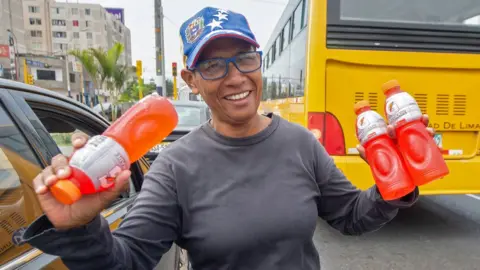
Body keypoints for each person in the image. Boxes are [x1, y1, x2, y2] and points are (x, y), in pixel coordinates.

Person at [23, 7, 433, 270]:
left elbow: (351, 217)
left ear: (259, 63)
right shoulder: (175, 167)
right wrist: (79, 227)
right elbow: (127, 261)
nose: (236, 77)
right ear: (192, 81)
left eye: (245, 59)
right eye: (214, 65)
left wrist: (394, 185)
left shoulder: (300, 145)